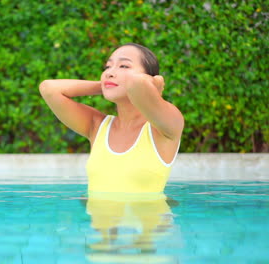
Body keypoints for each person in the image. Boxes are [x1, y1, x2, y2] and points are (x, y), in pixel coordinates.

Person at [39, 43, 184, 194]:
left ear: (150, 78)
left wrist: (149, 87)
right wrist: (105, 85)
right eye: (108, 67)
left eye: (124, 66)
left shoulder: (164, 128)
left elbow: (137, 83)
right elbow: (48, 88)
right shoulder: (97, 126)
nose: (109, 72)